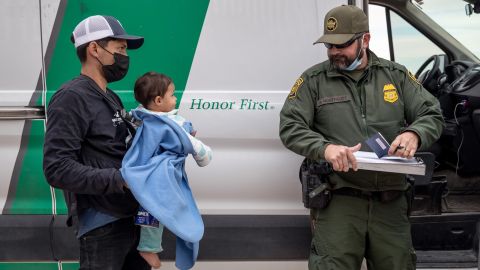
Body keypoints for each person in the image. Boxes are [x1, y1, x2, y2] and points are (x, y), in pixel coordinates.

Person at [279, 5, 444, 270]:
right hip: (339, 203)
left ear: (364, 40)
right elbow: (290, 126)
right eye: (329, 46)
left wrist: (415, 133)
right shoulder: (313, 81)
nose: (334, 53)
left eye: (342, 45)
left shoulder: (396, 76)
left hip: (390, 204)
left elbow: (432, 113)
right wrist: (325, 148)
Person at [43, 15, 149, 270]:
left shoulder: (109, 96)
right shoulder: (71, 97)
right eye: (120, 49)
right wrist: (119, 179)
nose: (125, 57)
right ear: (94, 49)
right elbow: (57, 168)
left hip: (128, 219)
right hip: (102, 224)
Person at [121, 72, 212, 270]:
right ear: (159, 100)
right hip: (160, 174)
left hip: (144, 173)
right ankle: (148, 247)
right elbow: (191, 144)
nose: (176, 98)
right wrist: (204, 155)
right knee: (161, 208)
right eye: (172, 95)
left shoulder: (141, 116)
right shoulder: (170, 123)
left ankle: (149, 246)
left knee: (150, 207)